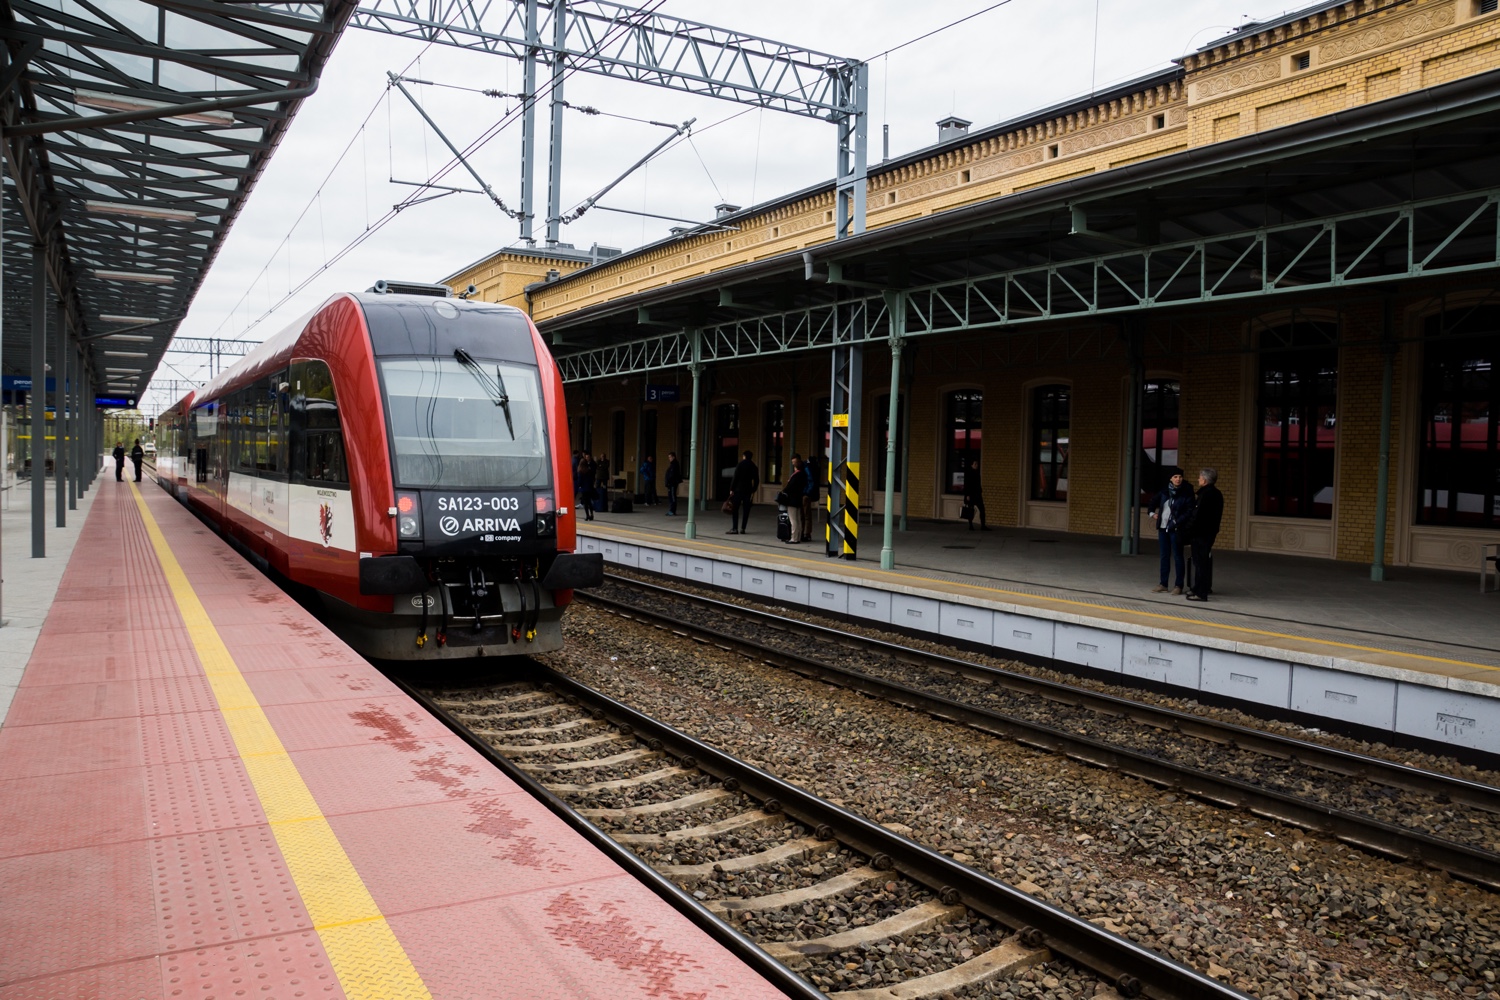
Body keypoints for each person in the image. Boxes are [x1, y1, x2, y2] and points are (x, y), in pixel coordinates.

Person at [1148, 467, 1196, 595]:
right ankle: (1163, 584)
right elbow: (1153, 501)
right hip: (1163, 528)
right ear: (1170, 478)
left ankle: (1178, 585)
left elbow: (1190, 510)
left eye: (1180, 477)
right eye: (1175, 477)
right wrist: (1152, 513)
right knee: (1164, 556)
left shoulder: (1187, 492)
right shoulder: (1165, 492)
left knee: (1178, 556)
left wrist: (1176, 521)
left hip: (1176, 529)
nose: (1178, 479)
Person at [1185, 468, 1223, 602]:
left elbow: (1198, 515)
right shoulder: (1217, 494)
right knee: (1201, 561)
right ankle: (1199, 587)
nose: (1198, 479)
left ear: (1205, 480)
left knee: (1200, 562)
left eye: (1200, 477)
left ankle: (1201, 592)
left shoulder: (1206, 494)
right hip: (1208, 533)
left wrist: (1188, 530)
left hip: (1201, 533)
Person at [727, 450, 759, 534]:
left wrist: (731, 489)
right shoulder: (754, 466)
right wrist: (753, 489)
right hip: (748, 490)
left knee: (735, 509)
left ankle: (735, 528)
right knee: (746, 510)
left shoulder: (740, 465)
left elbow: (735, 478)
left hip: (738, 490)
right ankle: (743, 528)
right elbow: (756, 480)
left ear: (744, 456)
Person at [781, 457, 808, 544]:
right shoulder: (803, 475)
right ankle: (799, 537)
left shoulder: (796, 476)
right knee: (798, 519)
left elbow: (790, 487)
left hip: (792, 500)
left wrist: (784, 491)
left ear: (796, 467)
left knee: (793, 520)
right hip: (798, 499)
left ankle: (794, 538)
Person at [963, 457, 989, 531]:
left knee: (982, 509)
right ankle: (971, 525)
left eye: (977, 464)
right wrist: (967, 495)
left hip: (977, 495)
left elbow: (978, 484)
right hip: (971, 495)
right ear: (971, 465)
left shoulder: (977, 473)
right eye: (975, 464)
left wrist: (980, 491)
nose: (976, 465)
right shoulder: (968, 473)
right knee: (970, 510)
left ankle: (983, 525)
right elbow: (966, 484)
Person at [801, 453, 818, 542]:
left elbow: (810, 481)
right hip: (808, 494)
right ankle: (806, 533)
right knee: (807, 515)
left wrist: (806, 492)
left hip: (805, 494)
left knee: (804, 515)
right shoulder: (813, 467)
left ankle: (804, 533)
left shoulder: (806, 467)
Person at [575, 452, 596, 521]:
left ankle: (587, 515)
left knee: (585, 503)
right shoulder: (588, 470)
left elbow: (579, 481)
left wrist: (579, 486)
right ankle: (592, 514)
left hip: (584, 488)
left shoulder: (580, 471)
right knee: (589, 502)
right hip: (589, 488)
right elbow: (591, 479)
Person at [663, 451, 682, 516]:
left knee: (672, 496)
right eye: (669, 457)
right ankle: (671, 510)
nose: (669, 458)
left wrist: (669, 481)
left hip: (672, 483)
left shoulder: (675, 464)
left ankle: (672, 510)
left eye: (670, 457)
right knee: (671, 496)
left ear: (673, 457)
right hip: (670, 483)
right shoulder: (672, 464)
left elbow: (672, 475)